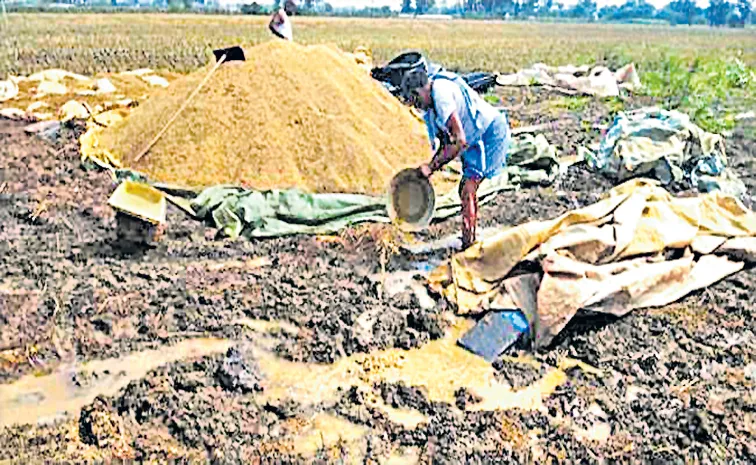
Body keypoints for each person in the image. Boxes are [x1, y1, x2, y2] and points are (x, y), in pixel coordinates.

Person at [400, 66, 511, 250]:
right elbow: (446, 142)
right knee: (465, 189)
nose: (416, 105)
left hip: (488, 134)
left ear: (421, 90)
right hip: (474, 138)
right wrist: (431, 166)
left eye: (415, 99)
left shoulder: (441, 95)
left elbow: (459, 141)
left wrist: (431, 167)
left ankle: (468, 246)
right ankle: (469, 237)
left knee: (468, 188)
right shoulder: (431, 110)